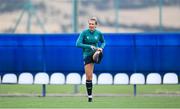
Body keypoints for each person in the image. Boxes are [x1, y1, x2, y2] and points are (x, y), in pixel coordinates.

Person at [76, 17, 106, 102]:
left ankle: (98, 55)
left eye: (93, 24)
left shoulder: (99, 33)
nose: (91, 25)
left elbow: (103, 42)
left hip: (95, 52)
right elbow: (77, 44)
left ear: (96, 25)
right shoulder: (84, 33)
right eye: (90, 24)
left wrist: (101, 48)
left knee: (98, 52)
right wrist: (89, 46)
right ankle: (90, 96)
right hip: (87, 55)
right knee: (89, 77)